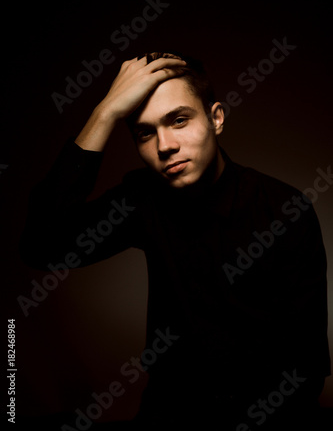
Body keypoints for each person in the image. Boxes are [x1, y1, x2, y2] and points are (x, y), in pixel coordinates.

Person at [20, 51, 330, 430]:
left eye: (179, 120)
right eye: (145, 133)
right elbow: (42, 245)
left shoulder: (285, 210)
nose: (165, 145)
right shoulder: (142, 200)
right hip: (171, 417)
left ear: (216, 118)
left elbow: (307, 367)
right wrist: (104, 113)